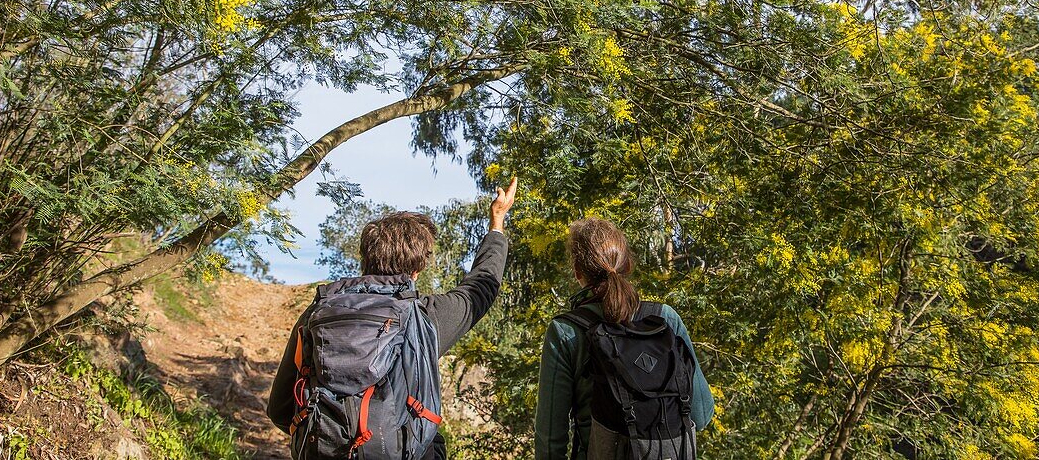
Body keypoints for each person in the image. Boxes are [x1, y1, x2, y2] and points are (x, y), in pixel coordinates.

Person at [268, 176, 517, 460]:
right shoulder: (423, 318)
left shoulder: (317, 314)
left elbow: (280, 409)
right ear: (417, 269)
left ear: (364, 258)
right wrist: (497, 224)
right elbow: (481, 289)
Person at [534, 218, 714, 460]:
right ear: (627, 264)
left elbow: (549, 443)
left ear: (578, 272)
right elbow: (701, 415)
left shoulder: (566, 331)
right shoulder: (665, 319)